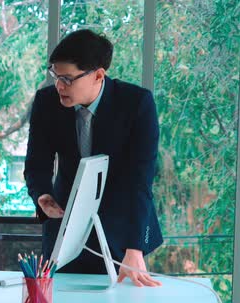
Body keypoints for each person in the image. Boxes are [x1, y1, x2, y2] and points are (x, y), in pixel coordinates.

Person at [24, 29, 163, 287]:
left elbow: (140, 181)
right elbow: (36, 164)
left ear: (98, 75)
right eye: (55, 75)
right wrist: (43, 196)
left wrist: (135, 247)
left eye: (67, 79)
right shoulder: (46, 102)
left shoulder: (136, 104)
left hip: (123, 232)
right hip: (65, 229)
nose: (58, 86)